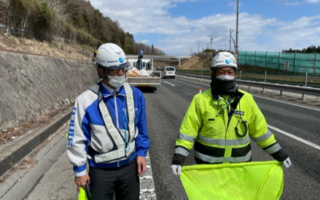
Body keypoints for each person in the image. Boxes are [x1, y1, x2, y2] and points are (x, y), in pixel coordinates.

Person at [171, 51, 291, 175]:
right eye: (222, 72)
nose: (226, 76)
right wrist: (178, 158)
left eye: (230, 72)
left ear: (235, 74)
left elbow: (261, 132)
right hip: (207, 170)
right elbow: (187, 132)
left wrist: (279, 154)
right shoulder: (200, 100)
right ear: (213, 74)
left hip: (240, 170)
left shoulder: (247, 100)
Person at [66, 43, 150, 200]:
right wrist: (79, 170)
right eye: (114, 70)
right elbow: (76, 136)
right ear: (100, 71)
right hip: (100, 171)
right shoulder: (85, 100)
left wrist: (141, 153)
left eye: (123, 69)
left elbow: (141, 128)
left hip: (129, 167)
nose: (120, 73)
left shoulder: (136, 95)